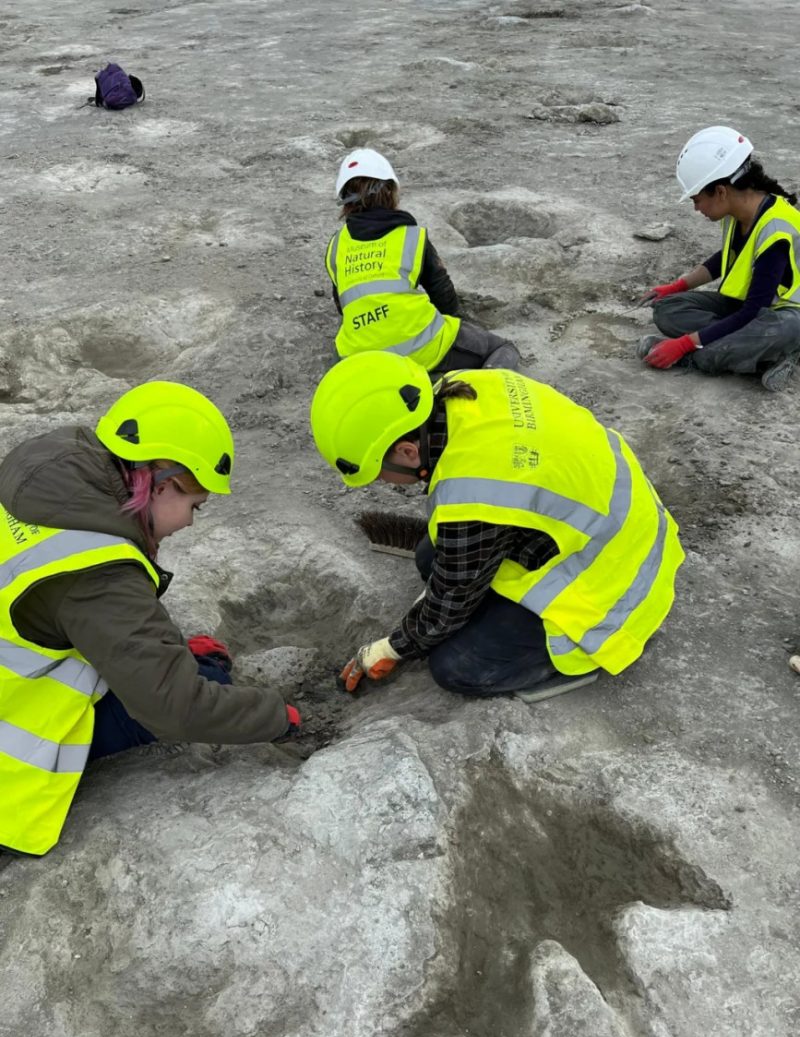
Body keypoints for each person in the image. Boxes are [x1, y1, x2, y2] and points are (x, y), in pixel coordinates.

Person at [0, 381, 299, 857]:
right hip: (8, 760)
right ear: (162, 486)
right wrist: (276, 716)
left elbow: (87, 612)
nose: (190, 522)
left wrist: (167, 648)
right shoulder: (98, 572)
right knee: (205, 680)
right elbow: (175, 706)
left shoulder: (51, 463)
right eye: (194, 506)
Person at [310, 352, 685, 700]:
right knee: (431, 556)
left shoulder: (473, 491)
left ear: (408, 452)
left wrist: (391, 647)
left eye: (380, 473)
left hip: (613, 582)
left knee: (456, 667)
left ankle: (574, 663)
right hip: (605, 523)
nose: (384, 483)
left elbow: (449, 603)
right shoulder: (466, 387)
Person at [324, 147, 520, 377]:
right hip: (421, 349)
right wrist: (454, 329)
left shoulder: (336, 246)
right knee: (502, 348)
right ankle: (477, 388)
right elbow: (442, 292)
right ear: (390, 191)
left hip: (360, 360)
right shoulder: (411, 237)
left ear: (345, 202)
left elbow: (344, 306)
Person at [636, 126, 800, 391]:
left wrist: (685, 344)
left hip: (783, 316)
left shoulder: (776, 229)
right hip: (744, 307)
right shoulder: (740, 213)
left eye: (697, 199)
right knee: (667, 310)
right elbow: (727, 256)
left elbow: (753, 311)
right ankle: (756, 354)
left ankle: (759, 351)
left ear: (721, 191)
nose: (696, 208)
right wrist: (678, 286)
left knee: (777, 331)